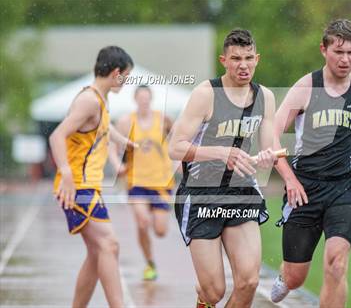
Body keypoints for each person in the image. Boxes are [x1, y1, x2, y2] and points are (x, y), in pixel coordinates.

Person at [270, 19, 351, 308]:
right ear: (323, 49)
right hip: (305, 189)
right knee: (296, 278)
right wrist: (289, 179)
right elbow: (271, 134)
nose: (345, 59)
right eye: (338, 52)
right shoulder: (306, 87)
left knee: (336, 265)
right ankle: (285, 275)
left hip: (347, 187)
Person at [169, 29, 278, 308]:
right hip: (201, 194)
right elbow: (175, 147)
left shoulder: (265, 97)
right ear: (224, 61)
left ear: (258, 59)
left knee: (249, 282)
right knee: (214, 292)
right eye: (236, 58)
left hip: (241, 192)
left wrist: (268, 157)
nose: (243, 65)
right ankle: (204, 298)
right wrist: (221, 152)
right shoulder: (206, 94)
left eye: (249, 58)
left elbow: (270, 147)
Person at [49, 46, 135, 308]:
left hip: (87, 186)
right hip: (76, 187)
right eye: (126, 77)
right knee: (109, 245)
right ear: (116, 72)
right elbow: (57, 136)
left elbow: (103, 128)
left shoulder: (99, 99)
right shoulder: (89, 100)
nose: (127, 82)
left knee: (98, 252)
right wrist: (65, 173)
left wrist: (126, 143)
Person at [110, 85, 175, 281]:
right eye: (141, 98)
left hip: (161, 182)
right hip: (136, 181)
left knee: (161, 230)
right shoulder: (125, 122)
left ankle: (150, 257)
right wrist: (116, 165)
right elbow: (112, 146)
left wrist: (178, 163)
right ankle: (149, 263)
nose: (144, 101)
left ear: (151, 99)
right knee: (142, 221)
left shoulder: (163, 119)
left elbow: (178, 141)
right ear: (135, 99)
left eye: (147, 98)